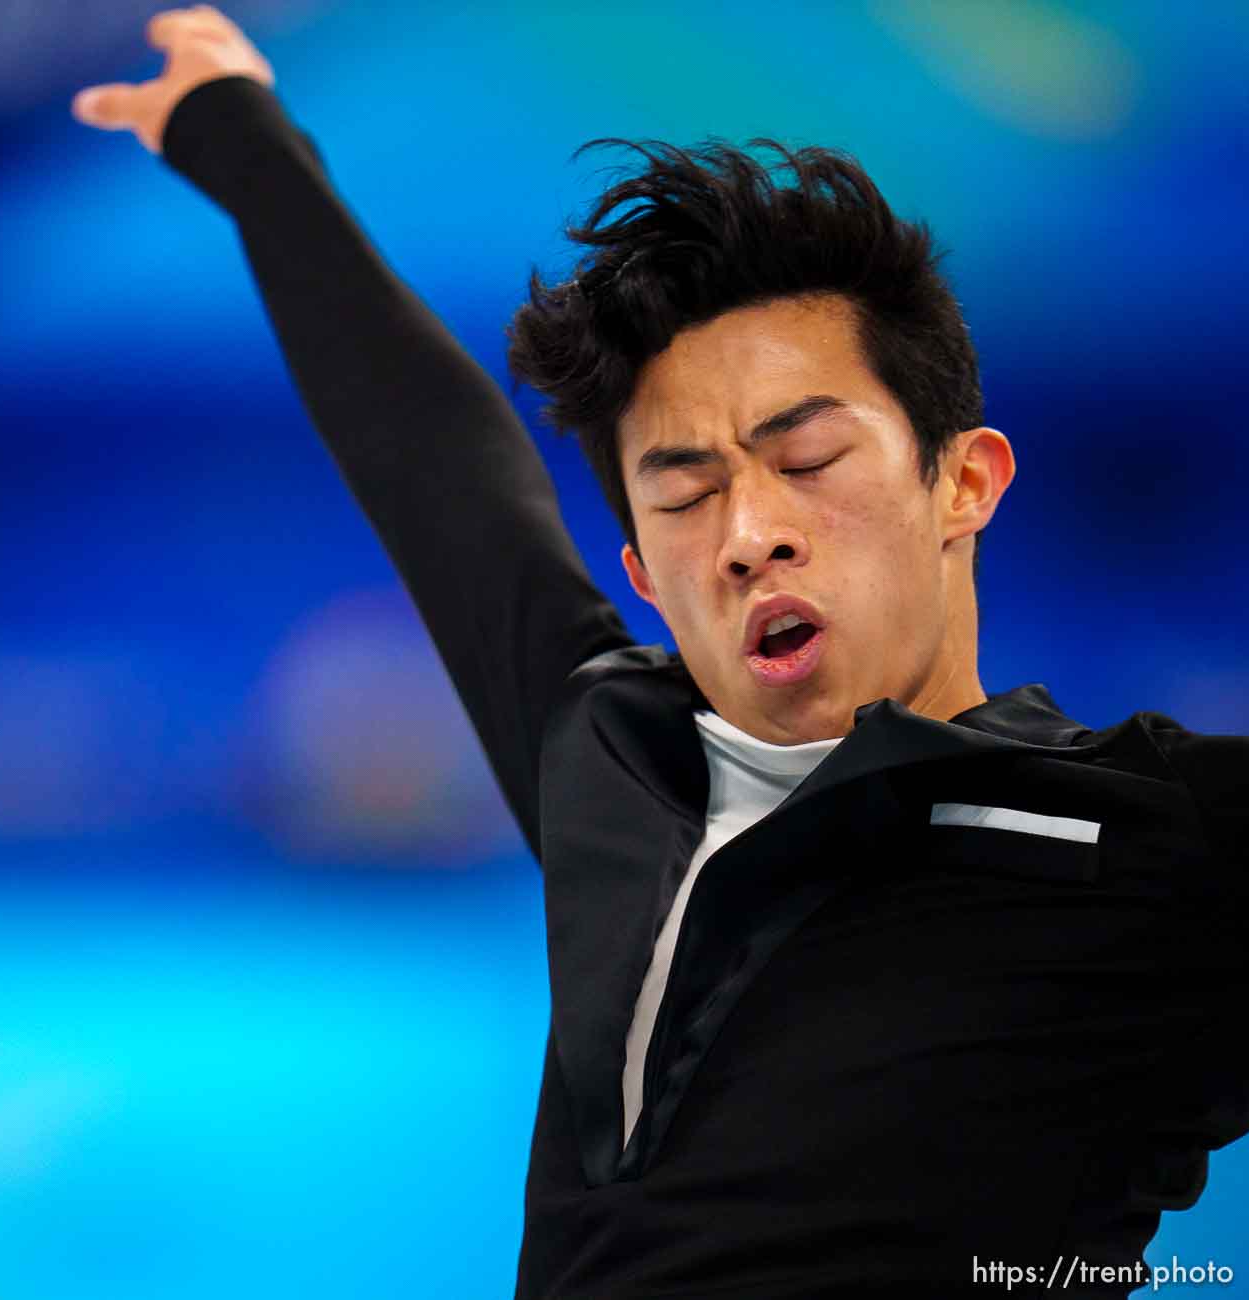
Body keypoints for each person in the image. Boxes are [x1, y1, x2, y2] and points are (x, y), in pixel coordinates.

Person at [72, 9, 1249, 1297]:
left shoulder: (1157, 831)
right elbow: (444, 479)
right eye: (685, 496)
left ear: (962, 480)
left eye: (806, 460)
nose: (749, 533)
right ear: (643, 574)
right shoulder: (610, 749)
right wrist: (236, 135)